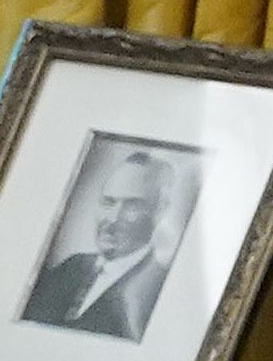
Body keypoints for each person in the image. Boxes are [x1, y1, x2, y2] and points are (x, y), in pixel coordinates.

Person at [23, 141, 177, 339]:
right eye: (108, 202)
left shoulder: (160, 290)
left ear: (161, 210)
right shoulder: (69, 267)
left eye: (132, 206)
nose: (112, 218)